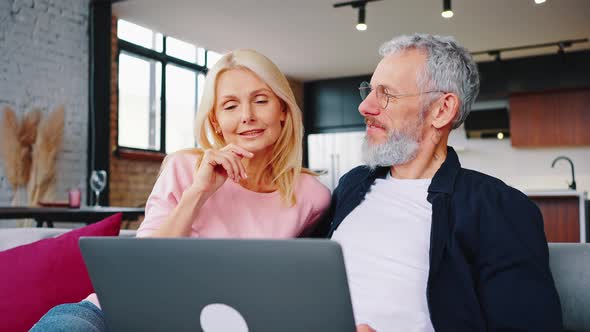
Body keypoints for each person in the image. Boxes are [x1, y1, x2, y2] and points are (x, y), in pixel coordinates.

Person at [31, 49, 330, 331]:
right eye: (230, 105)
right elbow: (140, 267)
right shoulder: (186, 167)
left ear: (283, 110)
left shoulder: (310, 195)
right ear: (216, 120)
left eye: (261, 100)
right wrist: (198, 193)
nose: (246, 115)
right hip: (112, 311)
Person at [314, 34, 562, 332]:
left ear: (441, 110)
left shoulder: (498, 207)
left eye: (386, 94)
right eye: (368, 90)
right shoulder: (352, 184)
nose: (364, 107)